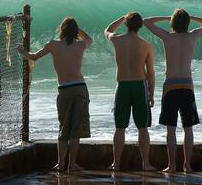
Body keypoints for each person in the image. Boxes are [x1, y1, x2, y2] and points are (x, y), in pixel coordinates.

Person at [16, 17, 92, 172]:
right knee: (75, 128)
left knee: (64, 127)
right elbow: (89, 38)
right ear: (75, 31)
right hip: (79, 88)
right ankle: (72, 164)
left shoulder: (53, 45)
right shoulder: (80, 45)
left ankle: (61, 164)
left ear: (61, 29)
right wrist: (78, 30)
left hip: (64, 89)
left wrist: (22, 51)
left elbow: (34, 57)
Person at [143, 9, 202, 173]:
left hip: (171, 86)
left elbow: (147, 21)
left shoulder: (168, 37)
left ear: (172, 23)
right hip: (187, 85)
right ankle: (187, 166)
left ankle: (172, 166)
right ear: (187, 23)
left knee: (171, 129)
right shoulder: (192, 36)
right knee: (188, 128)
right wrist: (192, 17)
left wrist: (166, 17)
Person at [104, 12, 156, 172]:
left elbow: (107, 30)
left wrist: (121, 17)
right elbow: (151, 73)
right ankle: (146, 164)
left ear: (126, 24)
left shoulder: (117, 40)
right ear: (140, 26)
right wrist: (151, 94)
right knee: (142, 127)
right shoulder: (146, 44)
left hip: (123, 86)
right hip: (139, 86)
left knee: (120, 127)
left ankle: (116, 163)